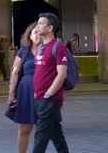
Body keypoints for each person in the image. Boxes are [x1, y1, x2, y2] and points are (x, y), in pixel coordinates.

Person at [33, 13, 69, 153]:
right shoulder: (41, 47)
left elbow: (61, 75)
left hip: (49, 99)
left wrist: (48, 95)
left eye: (41, 23)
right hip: (39, 98)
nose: (37, 26)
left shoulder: (58, 47)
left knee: (40, 135)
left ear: (50, 28)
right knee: (56, 135)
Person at [6, 21, 41, 153]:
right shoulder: (23, 51)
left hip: (44, 92)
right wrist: (11, 93)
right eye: (35, 32)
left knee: (43, 130)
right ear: (30, 35)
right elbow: (15, 72)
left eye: (41, 32)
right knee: (24, 130)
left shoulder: (49, 50)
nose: (38, 35)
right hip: (25, 92)